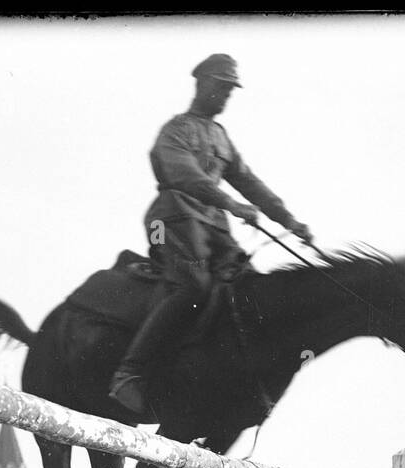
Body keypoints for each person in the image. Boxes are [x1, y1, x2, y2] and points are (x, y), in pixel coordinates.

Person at [108, 54, 313, 419]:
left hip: (214, 225)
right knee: (195, 286)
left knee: (247, 286)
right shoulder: (175, 130)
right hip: (174, 217)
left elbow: (249, 181)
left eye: (229, 91)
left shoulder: (221, 137)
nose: (224, 97)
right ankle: (129, 372)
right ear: (201, 83)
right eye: (220, 87)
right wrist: (230, 204)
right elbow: (184, 175)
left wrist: (289, 221)